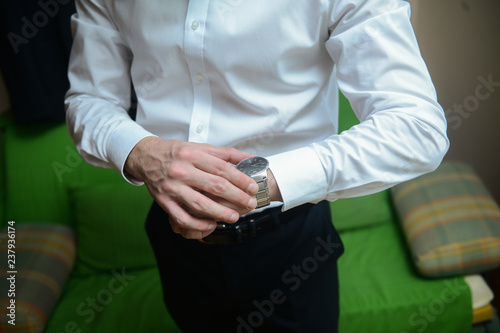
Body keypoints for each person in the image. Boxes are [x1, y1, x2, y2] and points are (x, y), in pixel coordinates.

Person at [65, 0, 449, 332]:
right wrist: (143, 154)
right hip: (174, 235)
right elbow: (86, 99)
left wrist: (253, 187)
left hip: (292, 240)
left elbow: (417, 129)